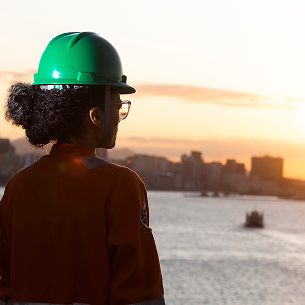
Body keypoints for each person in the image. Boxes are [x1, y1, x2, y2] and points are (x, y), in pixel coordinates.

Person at [0, 32, 165, 305]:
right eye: (119, 106)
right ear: (96, 116)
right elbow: (140, 294)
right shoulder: (120, 186)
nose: (120, 117)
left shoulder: (18, 186)